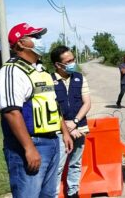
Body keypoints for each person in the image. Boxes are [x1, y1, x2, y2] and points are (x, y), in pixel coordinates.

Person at [0, 23, 73, 198]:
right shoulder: (11, 72)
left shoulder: (40, 70)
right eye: (35, 37)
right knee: (28, 194)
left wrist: (64, 132)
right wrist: (29, 148)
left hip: (51, 141)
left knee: (48, 194)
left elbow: (52, 104)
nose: (40, 41)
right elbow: (11, 112)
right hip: (30, 144)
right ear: (21, 43)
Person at [51, 46, 91, 198]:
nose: (72, 63)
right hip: (59, 132)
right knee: (58, 167)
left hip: (79, 128)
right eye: (68, 61)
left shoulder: (80, 78)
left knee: (75, 163)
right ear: (57, 65)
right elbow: (51, 107)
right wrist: (67, 128)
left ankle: (73, 193)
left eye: (73, 60)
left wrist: (74, 122)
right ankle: (53, 194)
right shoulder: (49, 80)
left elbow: (87, 103)